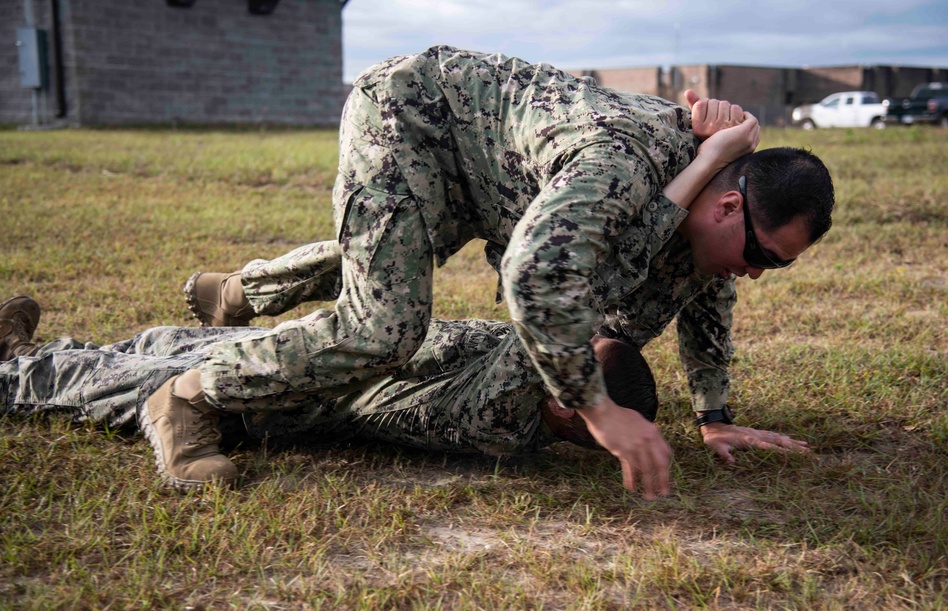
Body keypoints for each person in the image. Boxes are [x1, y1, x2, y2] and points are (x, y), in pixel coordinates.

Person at [153, 46, 835, 498]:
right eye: (764, 257)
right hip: (417, 116)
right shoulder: (623, 163)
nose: (757, 274)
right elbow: (536, 276)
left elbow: (704, 291)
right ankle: (187, 397)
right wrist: (596, 407)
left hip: (499, 181)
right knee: (385, 324)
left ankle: (246, 290)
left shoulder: (703, 201)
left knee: (399, 257)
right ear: (726, 204)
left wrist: (713, 416)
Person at [0, 296, 670, 490]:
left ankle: (18, 363)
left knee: (128, 374)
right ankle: (23, 355)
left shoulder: (507, 413)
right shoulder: (520, 391)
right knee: (147, 358)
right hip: (289, 375)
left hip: (286, 383)